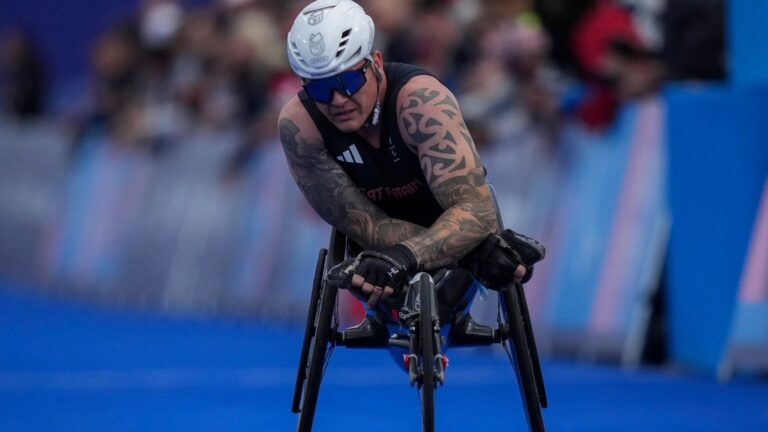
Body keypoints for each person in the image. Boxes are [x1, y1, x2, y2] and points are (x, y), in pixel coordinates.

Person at [277, 0, 537, 334]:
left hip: (452, 228)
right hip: (382, 248)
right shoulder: (300, 126)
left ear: (376, 63)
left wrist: (414, 255)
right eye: (320, 89)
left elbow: (475, 210)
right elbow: (364, 223)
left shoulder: (421, 102)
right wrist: (472, 253)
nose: (338, 100)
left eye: (349, 81)